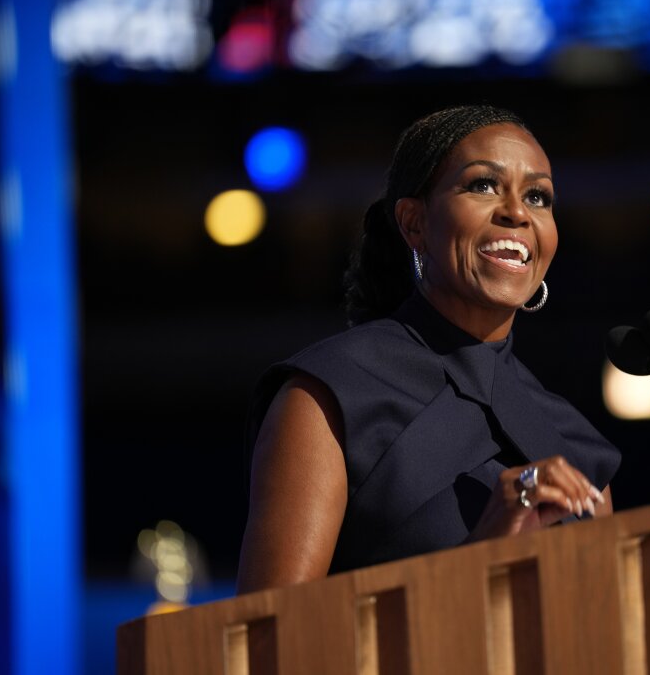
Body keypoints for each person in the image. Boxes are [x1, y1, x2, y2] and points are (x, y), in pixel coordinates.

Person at [235, 104, 621, 593]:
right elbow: (270, 640)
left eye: (539, 197)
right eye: (483, 185)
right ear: (415, 223)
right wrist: (480, 555)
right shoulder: (328, 395)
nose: (517, 212)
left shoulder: (576, 447)